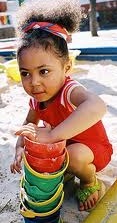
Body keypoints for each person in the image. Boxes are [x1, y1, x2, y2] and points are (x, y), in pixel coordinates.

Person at [10, 0, 113, 212]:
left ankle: (88, 181)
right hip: (65, 147)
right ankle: (65, 166)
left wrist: (52, 135)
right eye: (25, 73)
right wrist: (20, 146)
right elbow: (29, 123)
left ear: (67, 67)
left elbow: (98, 106)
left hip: (92, 152)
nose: (34, 82)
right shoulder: (38, 97)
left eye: (44, 71)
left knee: (71, 155)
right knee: (37, 142)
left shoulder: (69, 90)